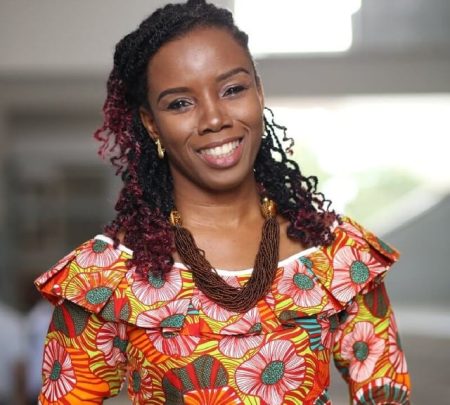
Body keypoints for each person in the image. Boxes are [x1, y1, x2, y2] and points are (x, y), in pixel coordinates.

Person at [35, 0, 411, 403]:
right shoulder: (106, 276)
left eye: (233, 90)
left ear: (259, 91)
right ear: (151, 123)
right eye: (180, 103)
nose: (214, 119)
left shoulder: (336, 256)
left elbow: (386, 393)